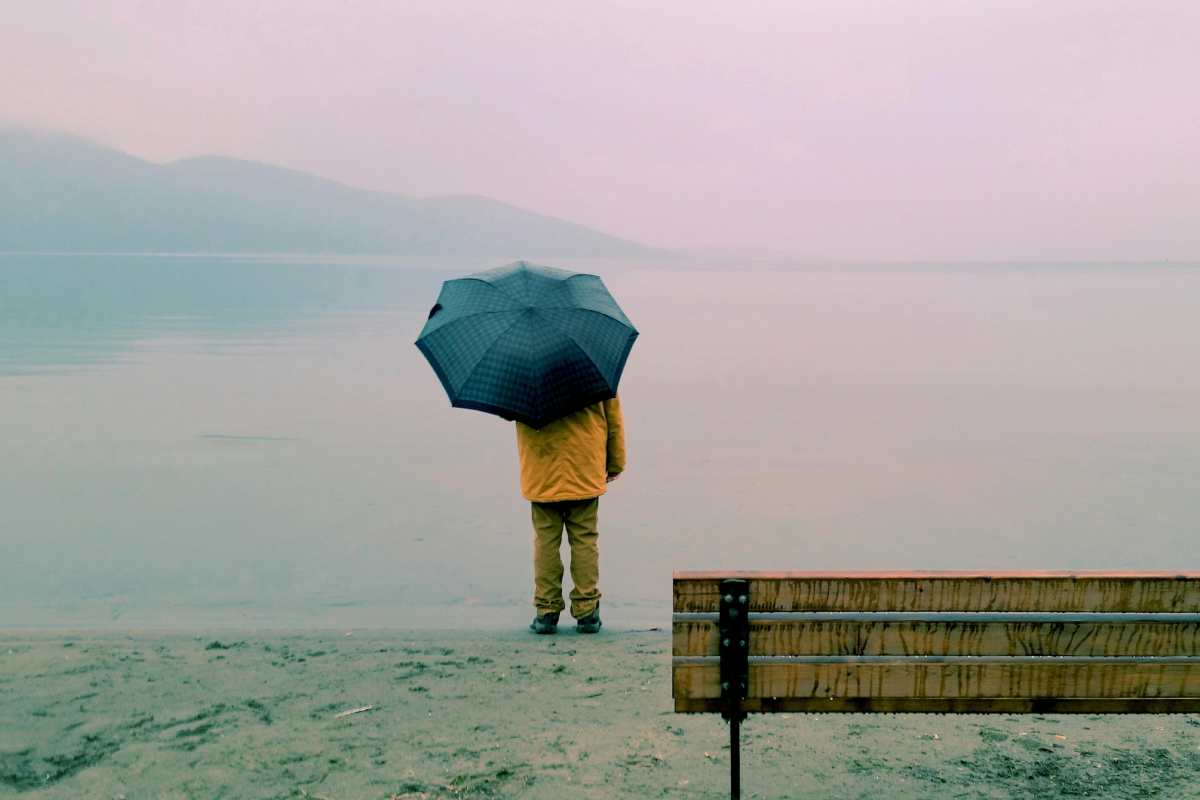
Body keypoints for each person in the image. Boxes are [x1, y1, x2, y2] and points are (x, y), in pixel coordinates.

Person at [515, 394, 625, 635]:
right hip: (583, 465)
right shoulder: (594, 368)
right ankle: (587, 612)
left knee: (545, 541)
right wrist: (616, 462)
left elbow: (511, 411)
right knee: (585, 539)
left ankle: (546, 612)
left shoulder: (526, 376)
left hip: (541, 468)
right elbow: (613, 419)